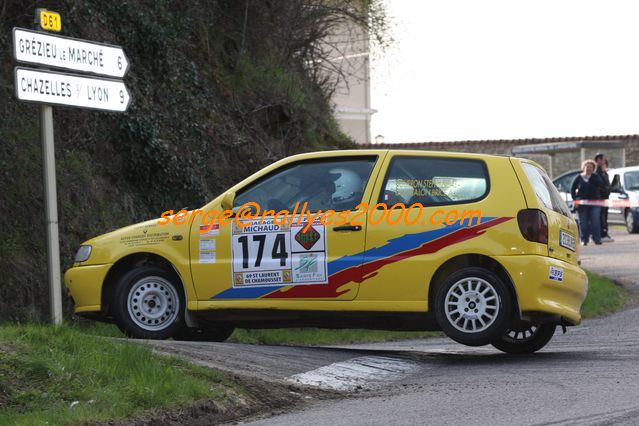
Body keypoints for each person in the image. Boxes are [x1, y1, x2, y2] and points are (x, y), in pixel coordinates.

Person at [571, 159, 603, 245]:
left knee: (595, 221)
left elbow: (600, 185)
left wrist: (591, 178)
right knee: (583, 222)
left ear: (593, 169)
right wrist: (575, 199)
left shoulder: (595, 177)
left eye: (591, 167)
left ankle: (597, 239)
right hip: (582, 204)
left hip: (594, 203)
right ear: (583, 167)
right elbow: (572, 189)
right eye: (587, 167)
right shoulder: (578, 177)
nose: (588, 168)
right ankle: (584, 239)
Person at [594, 153, 614, 242]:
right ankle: (601, 234)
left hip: (605, 199)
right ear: (598, 160)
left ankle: (605, 233)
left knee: (604, 216)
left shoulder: (604, 173)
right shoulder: (597, 173)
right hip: (600, 199)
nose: (604, 162)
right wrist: (604, 190)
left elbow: (607, 185)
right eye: (602, 160)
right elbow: (599, 186)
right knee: (600, 217)